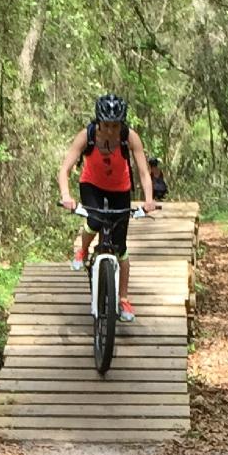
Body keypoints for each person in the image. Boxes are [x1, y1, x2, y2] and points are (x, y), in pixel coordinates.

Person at [56, 94, 158, 320]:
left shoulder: (130, 137)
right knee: (94, 220)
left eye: (115, 125)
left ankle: (123, 299)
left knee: (120, 247)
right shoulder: (87, 135)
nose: (111, 130)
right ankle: (81, 251)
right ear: (98, 121)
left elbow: (143, 172)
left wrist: (148, 200)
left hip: (120, 189)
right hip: (91, 185)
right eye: (107, 125)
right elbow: (64, 169)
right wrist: (66, 196)